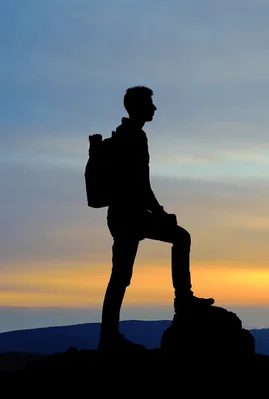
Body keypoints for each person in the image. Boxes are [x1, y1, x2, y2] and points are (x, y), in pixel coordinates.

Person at [99, 86, 214, 351]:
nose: (154, 108)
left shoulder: (125, 135)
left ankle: (109, 335)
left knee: (120, 276)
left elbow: (138, 183)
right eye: (150, 103)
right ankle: (182, 300)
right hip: (131, 216)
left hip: (123, 215)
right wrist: (160, 213)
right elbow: (140, 183)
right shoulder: (134, 137)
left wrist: (158, 212)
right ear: (138, 107)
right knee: (180, 238)